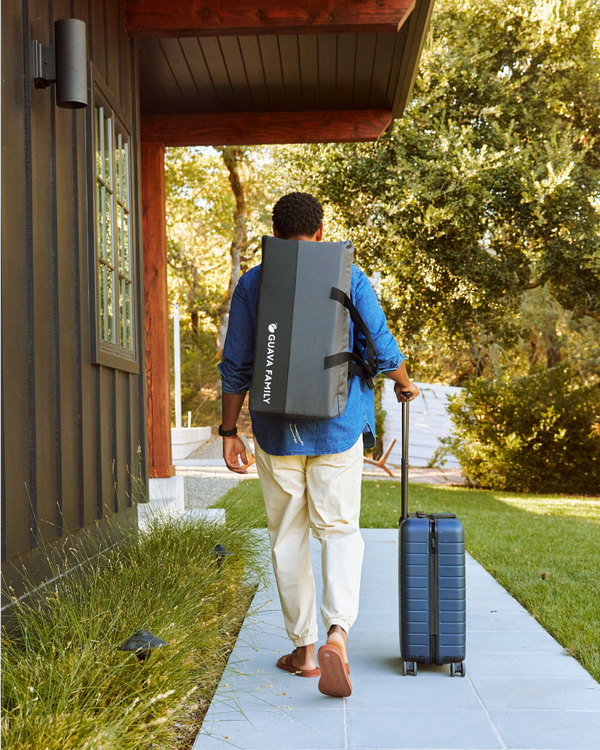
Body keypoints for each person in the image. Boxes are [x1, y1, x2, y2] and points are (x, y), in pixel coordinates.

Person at [218, 192, 419, 697]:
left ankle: (304, 651)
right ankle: (337, 635)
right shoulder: (347, 273)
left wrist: (228, 432)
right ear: (321, 231)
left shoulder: (253, 281)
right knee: (339, 530)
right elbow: (380, 339)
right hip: (337, 426)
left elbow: (237, 365)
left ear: (274, 231)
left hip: (275, 431)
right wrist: (403, 380)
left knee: (289, 537)